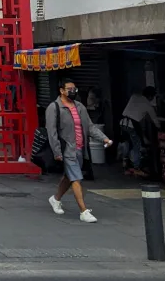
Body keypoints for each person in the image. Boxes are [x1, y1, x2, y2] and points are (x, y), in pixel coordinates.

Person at [46, 79, 112, 223]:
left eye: (74, 88)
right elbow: (52, 132)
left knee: (69, 177)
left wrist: (104, 139)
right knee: (76, 178)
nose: (73, 91)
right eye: (69, 88)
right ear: (61, 91)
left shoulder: (80, 107)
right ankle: (83, 211)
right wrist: (57, 151)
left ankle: (55, 199)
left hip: (80, 149)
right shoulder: (54, 107)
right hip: (66, 149)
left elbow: (90, 126)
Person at [121, 86, 161, 174]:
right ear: (151, 96)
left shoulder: (134, 96)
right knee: (137, 146)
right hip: (132, 125)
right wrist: (159, 127)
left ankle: (125, 165)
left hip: (123, 123)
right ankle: (136, 168)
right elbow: (155, 121)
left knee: (127, 143)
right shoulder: (148, 105)